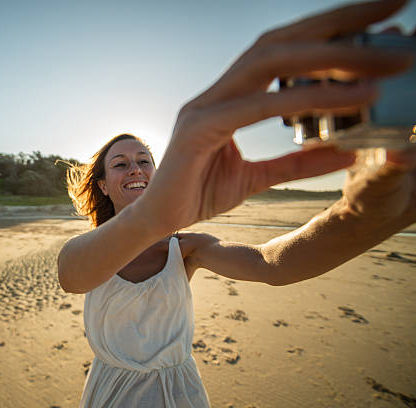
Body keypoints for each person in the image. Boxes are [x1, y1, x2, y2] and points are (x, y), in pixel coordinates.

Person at [57, 1, 416, 407]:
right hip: (110, 395)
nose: (135, 169)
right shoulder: (90, 252)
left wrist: (358, 218)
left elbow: (270, 265)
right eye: (120, 164)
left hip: (180, 396)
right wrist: (153, 216)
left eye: (145, 161)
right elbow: (72, 274)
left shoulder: (186, 249)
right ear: (103, 186)